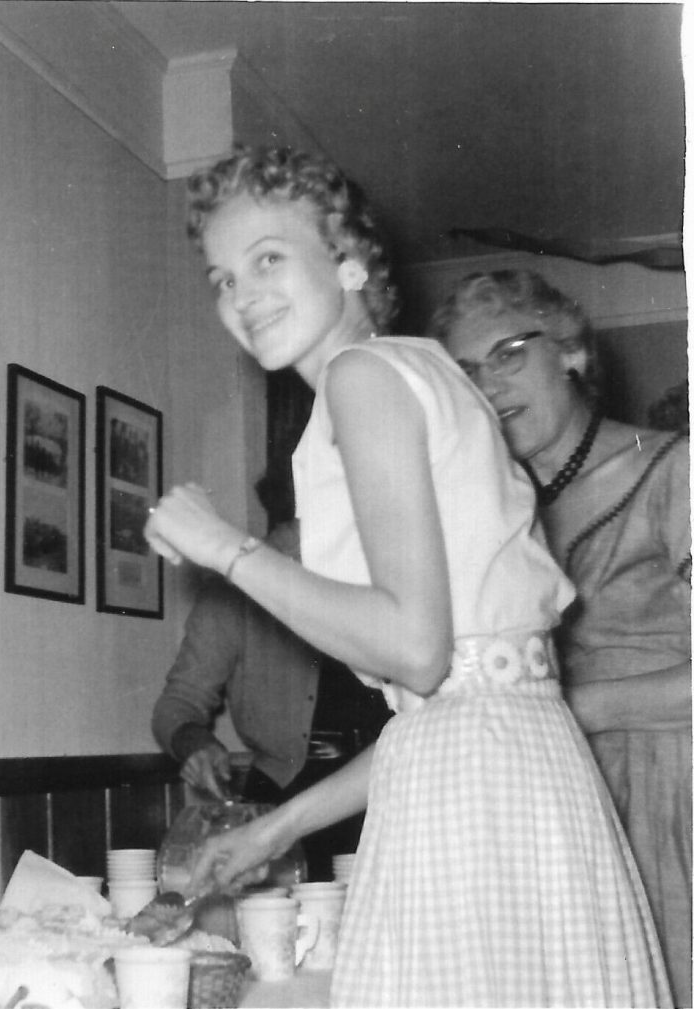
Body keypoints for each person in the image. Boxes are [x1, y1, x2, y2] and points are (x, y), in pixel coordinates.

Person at [143, 144, 670, 1007]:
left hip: (477, 791)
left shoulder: (363, 377)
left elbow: (414, 650)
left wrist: (229, 548)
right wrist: (270, 830)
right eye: (221, 279)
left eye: (268, 258)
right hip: (507, 767)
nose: (242, 296)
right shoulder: (415, 368)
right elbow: (447, 702)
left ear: (348, 261)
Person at [429, 268, 691, 1007]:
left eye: (509, 352)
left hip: (672, 800)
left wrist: (564, 707)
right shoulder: (500, 516)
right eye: (466, 372)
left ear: (571, 350)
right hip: (555, 805)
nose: (490, 384)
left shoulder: (674, 468)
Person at [151, 464, 392, 880]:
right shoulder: (234, 590)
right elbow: (178, 705)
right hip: (283, 797)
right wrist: (196, 744)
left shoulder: (388, 578)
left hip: (386, 785)